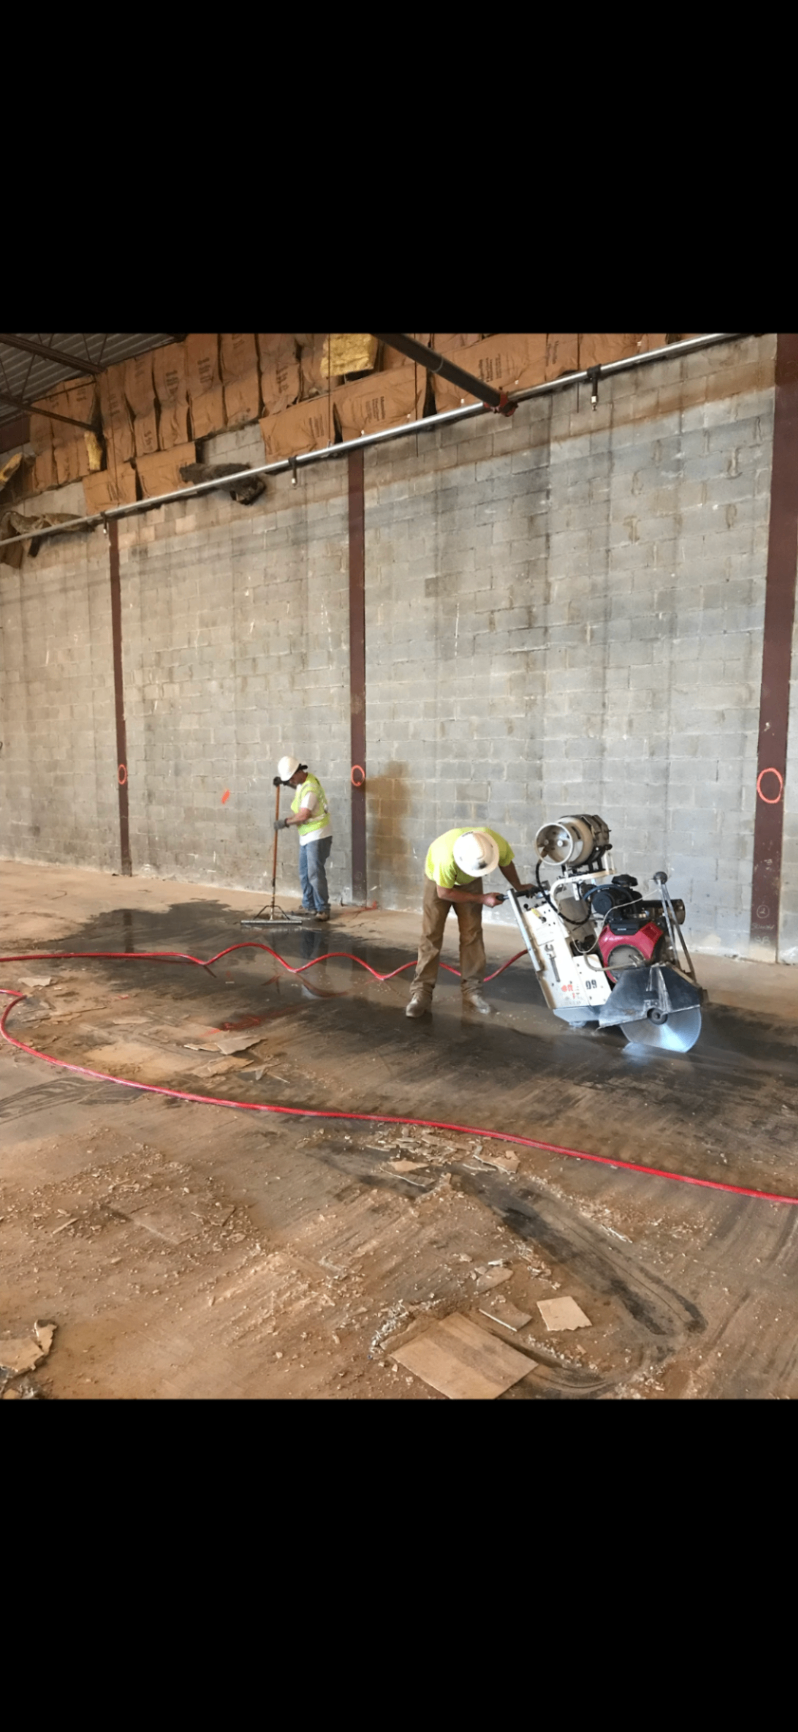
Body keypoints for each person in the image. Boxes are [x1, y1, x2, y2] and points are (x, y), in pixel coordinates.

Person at [406, 827, 533, 1018]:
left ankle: (472, 991)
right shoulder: (445, 860)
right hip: (438, 884)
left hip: (469, 879)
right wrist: (481, 899)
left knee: (472, 933)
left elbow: (506, 863)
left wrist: (518, 886)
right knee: (431, 934)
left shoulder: (494, 842)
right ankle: (421, 992)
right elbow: (444, 893)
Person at [274, 755, 333, 922]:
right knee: (304, 873)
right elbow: (299, 789)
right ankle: (309, 906)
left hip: (318, 834)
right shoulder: (302, 782)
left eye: (291, 778)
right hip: (307, 835)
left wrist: (285, 822)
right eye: (289, 780)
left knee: (314, 873)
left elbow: (304, 814)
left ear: (299, 772)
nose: (291, 781)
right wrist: (284, 783)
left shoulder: (311, 788)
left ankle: (322, 909)